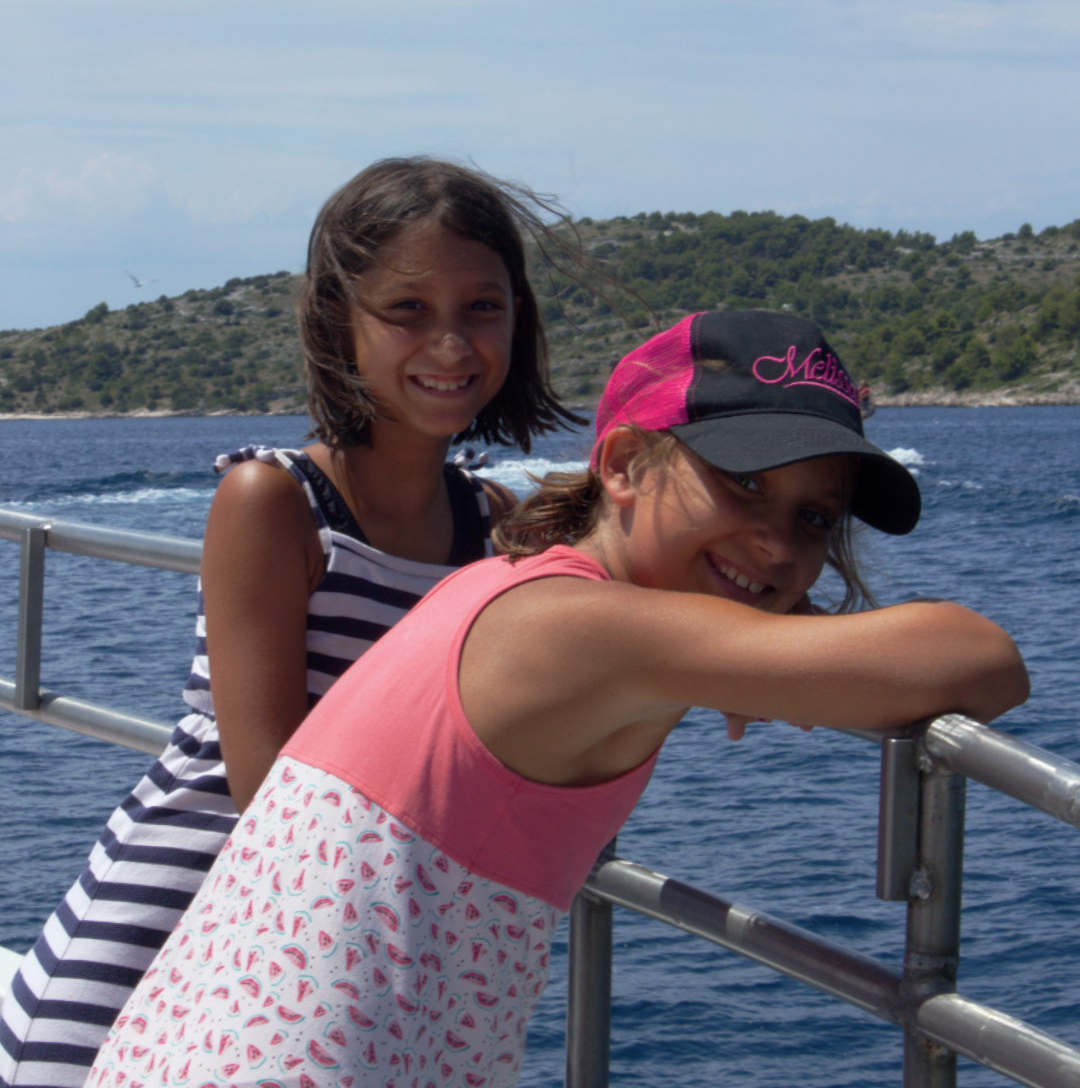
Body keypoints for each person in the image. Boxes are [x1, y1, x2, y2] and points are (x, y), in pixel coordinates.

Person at [82, 308, 1029, 1088]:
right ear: (619, 465)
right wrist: (780, 654)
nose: (781, 546)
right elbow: (984, 657)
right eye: (741, 485)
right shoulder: (579, 632)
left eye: (813, 518)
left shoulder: (536, 588)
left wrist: (768, 641)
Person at [0, 157, 586, 1088]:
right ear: (336, 323)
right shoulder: (272, 502)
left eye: (482, 308)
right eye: (406, 311)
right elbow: (267, 788)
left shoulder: (490, 531)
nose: (450, 343)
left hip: (320, 954)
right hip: (166, 928)